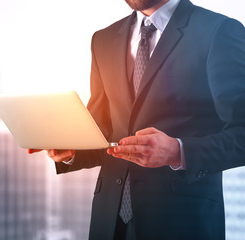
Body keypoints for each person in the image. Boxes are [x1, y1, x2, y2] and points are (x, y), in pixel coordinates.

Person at [29, 0, 245, 239]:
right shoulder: (103, 39)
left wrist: (178, 151)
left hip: (182, 222)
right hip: (108, 222)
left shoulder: (218, 31)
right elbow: (106, 134)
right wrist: (73, 149)